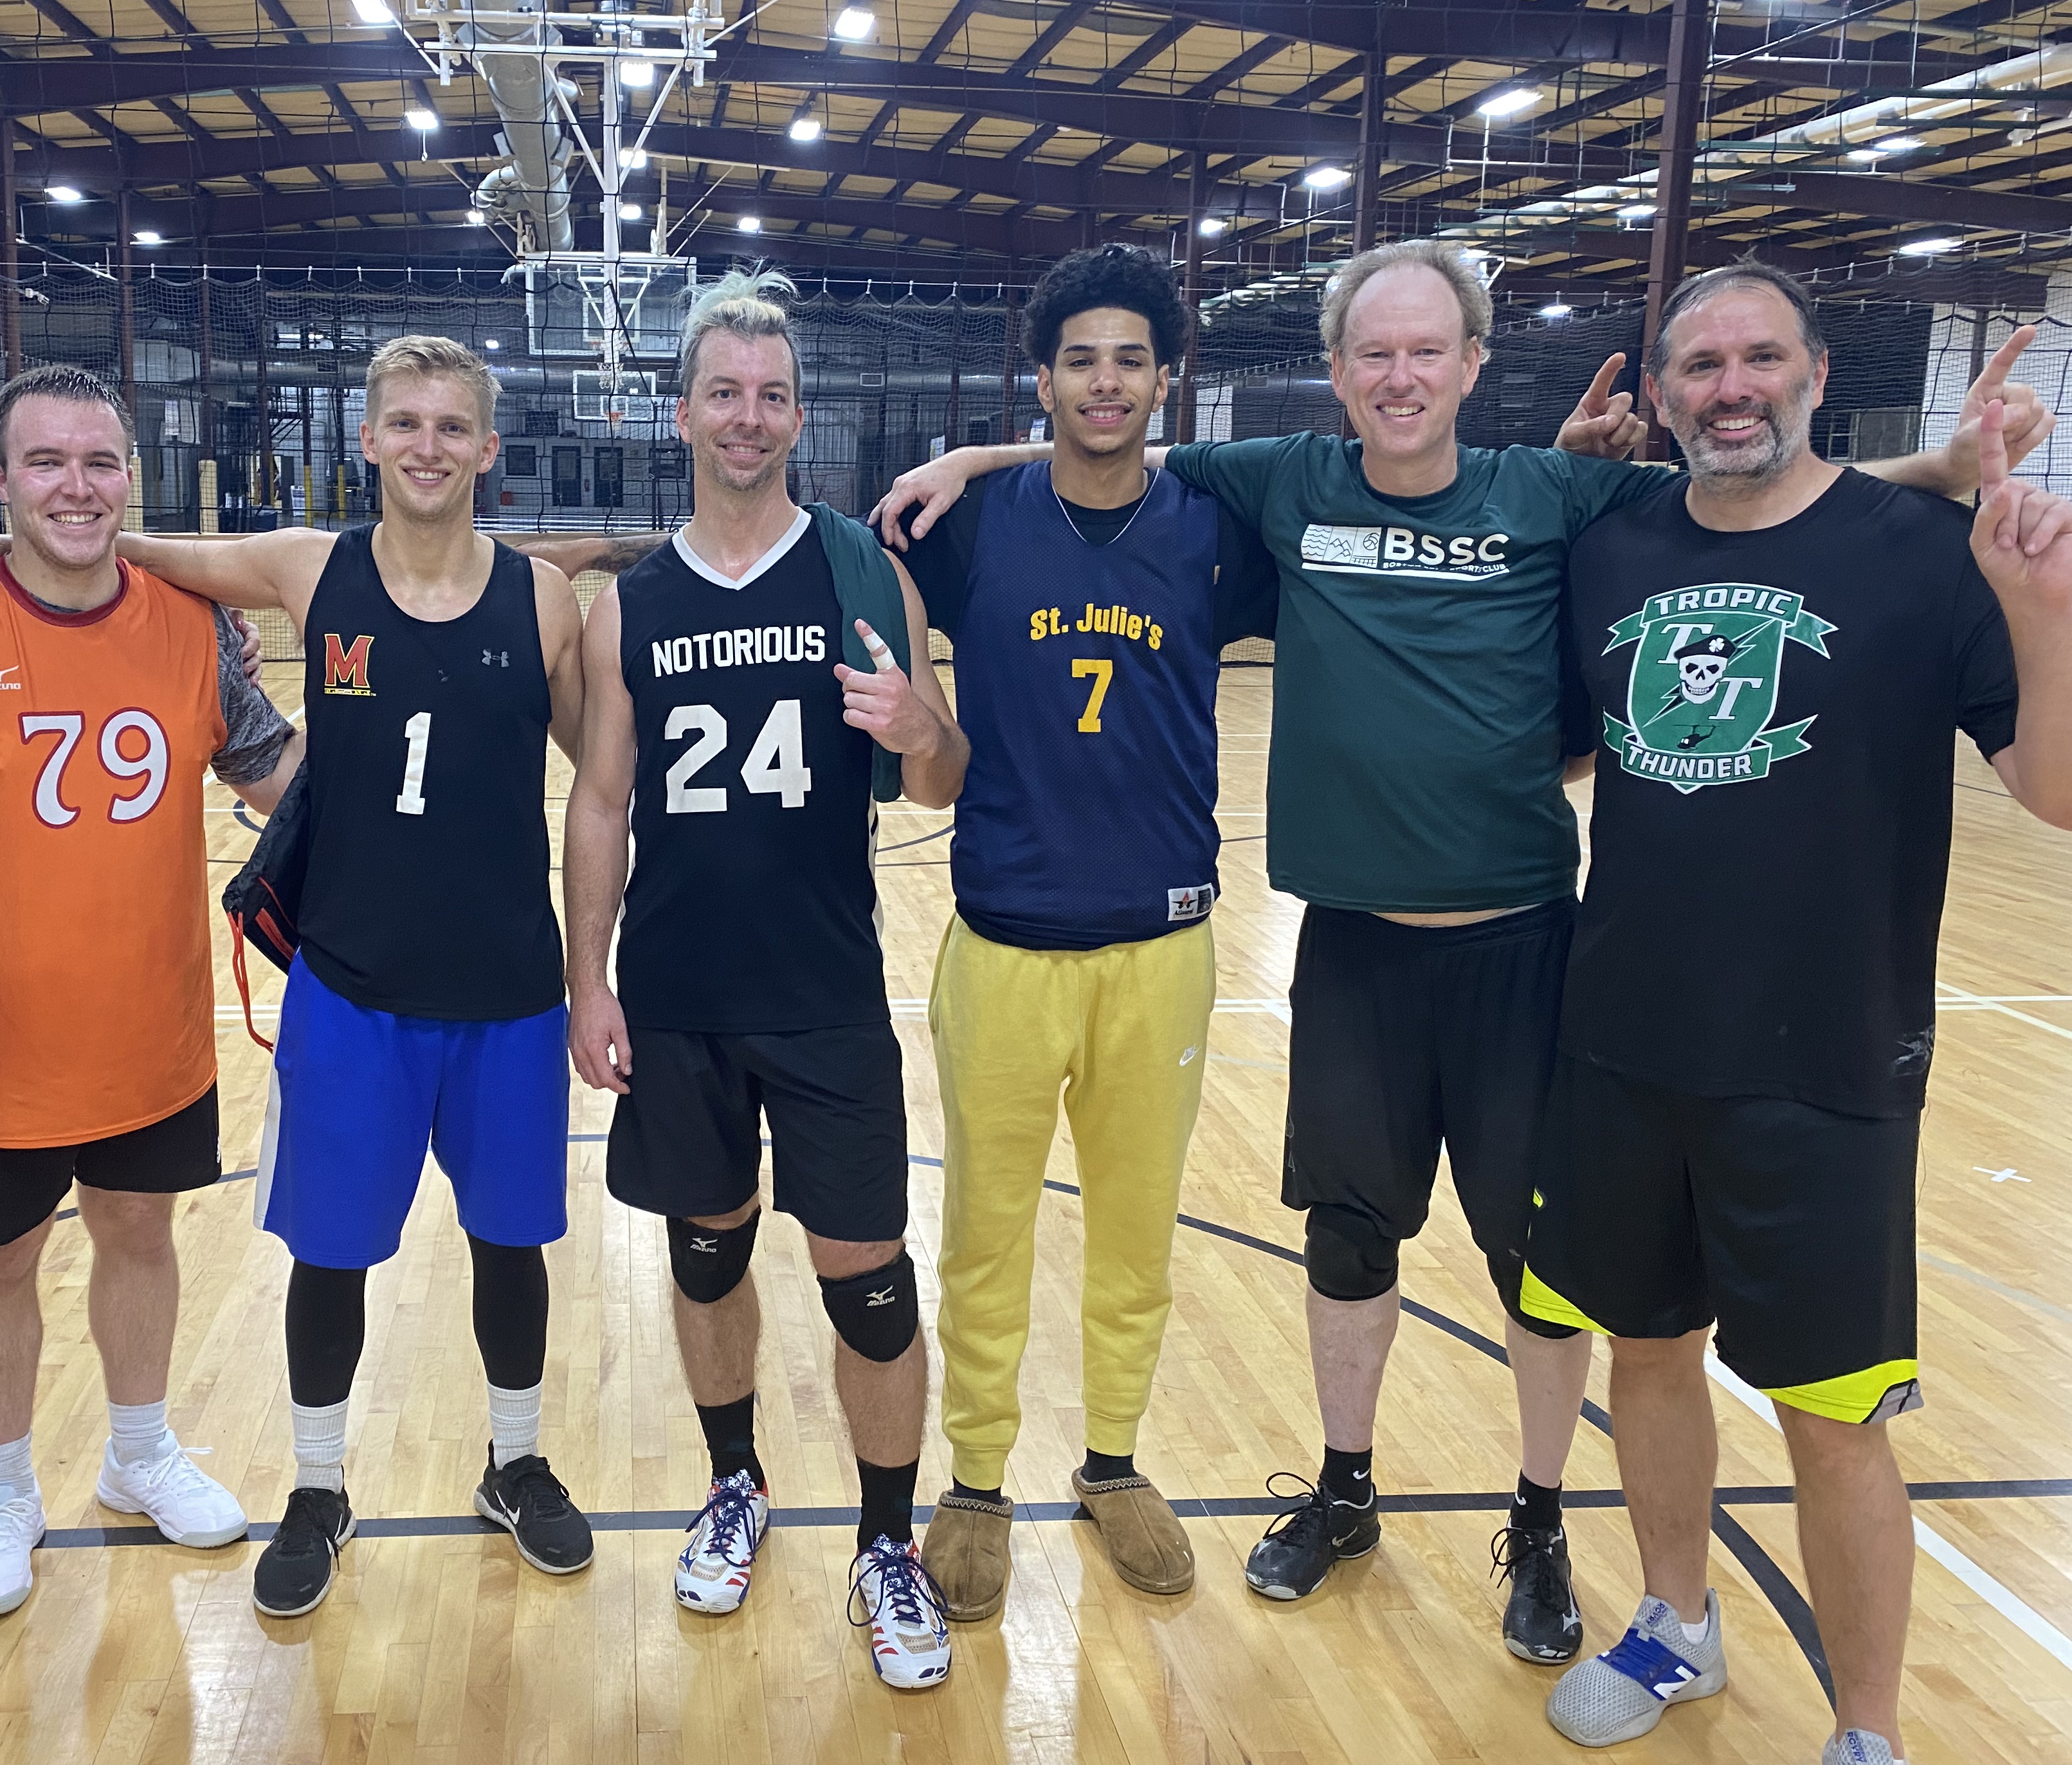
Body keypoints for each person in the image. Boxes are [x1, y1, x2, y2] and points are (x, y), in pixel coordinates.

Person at [873, 240, 2043, 1666]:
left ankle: (1538, 1520)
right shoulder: (1285, 480)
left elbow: (1757, 490)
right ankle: (1340, 1490)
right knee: (1346, 1238)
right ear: (1339, 371)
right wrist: (978, 456)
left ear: (1474, 363)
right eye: (1375, 351)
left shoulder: (1552, 491)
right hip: (1349, 943)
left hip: (1523, 946)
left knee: (1535, 1267)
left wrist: (1942, 471)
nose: (1401, 375)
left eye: (1428, 349)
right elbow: (1105, 444)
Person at [1520, 261, 2072, 1765]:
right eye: (1701, 367)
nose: (1732, 389)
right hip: (1624, 1034)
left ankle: (1868, 1728)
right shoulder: (1615, 546)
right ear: (1663, 395)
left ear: (1816, 375)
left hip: (1829, 1051)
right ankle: (1677, 1623)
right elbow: (1573, 745)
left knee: (1833, 1415)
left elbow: (2055, 791)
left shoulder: (1927, 550)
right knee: (1647, 1354)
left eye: (1761, 358)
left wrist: (2042, 613)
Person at [0, 334, 599, 1611]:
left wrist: (602, 972)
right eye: (405, 424)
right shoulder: (309, 570)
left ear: (489, 449)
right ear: (367, 441)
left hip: (507, 991)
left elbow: (605, 782)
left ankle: (517, 1460)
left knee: (511, 1246)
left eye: (452, 426)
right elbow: (132, 549)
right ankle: (318, 1485)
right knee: (330, 1254)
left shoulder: (545, 601)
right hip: (352, 992)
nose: (428, 446)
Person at [564, 270, 970, 1690]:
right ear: (682, 414)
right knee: (708, 1251)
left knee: (869, 1284)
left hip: (826, 992)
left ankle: (886, 1542)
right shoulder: (631, 607)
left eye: (774, 395)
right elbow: (600, 802)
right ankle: (734, 1482)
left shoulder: (862, 575)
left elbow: (940, 778)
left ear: (801, 417)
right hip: (677, 997)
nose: (750, 416)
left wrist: (921, 727)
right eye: (725, 393)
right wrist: (588, 981)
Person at [882, 245, 1277, 1621]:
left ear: (1168, 380)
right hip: (1004, 939)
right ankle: (975, 1481)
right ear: (1040, 379)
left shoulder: (1219, 526)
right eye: (1079, 361)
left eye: (1131, 361)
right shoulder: (966, 526)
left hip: (1163, 946)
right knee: (983, 1234)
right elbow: (879, 535)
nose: (1106, 384)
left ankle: (1113, 1464)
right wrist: (976, 461)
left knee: (1136, 1235)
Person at [0, 365, 300, 1619]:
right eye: (47, 462)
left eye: (99, 462)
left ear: (132, 477)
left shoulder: (189, 622)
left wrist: (415, 730)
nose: (75, 487)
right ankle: (4, 1493)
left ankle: (139, 1454)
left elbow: (274, 771)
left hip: (150, 1028)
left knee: (139, 1236)